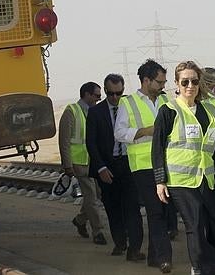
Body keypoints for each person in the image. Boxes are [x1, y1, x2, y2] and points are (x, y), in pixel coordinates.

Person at [153, 60, 215, 275]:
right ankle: (203, 269)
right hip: (181, 182)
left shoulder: (208, 110)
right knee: (195, 227)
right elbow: (157, 148)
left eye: (194, 81)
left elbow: (214, 145)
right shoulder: (168, 111)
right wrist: (160, 181)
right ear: (177, 84)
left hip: (207, 179)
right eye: (185, 81)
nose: (190, 86)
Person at [114, 59, 172, 271]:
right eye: (159, 82)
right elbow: (119, 133)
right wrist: (144, 132)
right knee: (156, 211)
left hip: (167, 163)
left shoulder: (166, 100)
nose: (163, 86)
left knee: (165, 212)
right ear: (146, 81)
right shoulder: (127, 103)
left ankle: (154, 256)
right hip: (143, 166)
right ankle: (164, 258)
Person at [86, 74, 144, 258]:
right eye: (111, 94)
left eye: (119, 93)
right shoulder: (96, 112)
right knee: (113, 208)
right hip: (107, 167)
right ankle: (120, 243)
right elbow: (91, 143)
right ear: (105, 91)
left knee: (132, 208)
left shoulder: (131, 106)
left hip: (129, 165)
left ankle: (134, 249)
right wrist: (101, 167)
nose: (115, 98)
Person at [58, 81, 107, 245]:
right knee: (91, 197)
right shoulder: (71, 111)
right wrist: (67, 165)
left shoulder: (94, 112)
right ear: (87, 94)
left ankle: (80, 220)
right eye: (97, 96)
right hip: (78, 163)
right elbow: (64, 140)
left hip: (93, 162)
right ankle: (98, 231)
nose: (99, 99)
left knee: (98, 195)